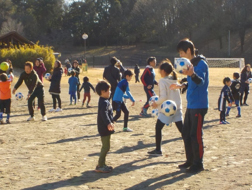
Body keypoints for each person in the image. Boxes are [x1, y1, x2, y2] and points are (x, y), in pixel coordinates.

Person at [170, 39, 209, 173]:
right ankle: (190, 160)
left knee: (195, 135)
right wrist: (182, 85)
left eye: (182, 52)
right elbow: (192, 82)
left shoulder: (201, 64)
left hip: (199, 105)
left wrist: (192, 74)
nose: (181, 55)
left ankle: (198, 164)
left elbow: (201, 81)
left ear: (188, 51)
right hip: (191, 105)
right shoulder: (190, 64)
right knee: (186, 133)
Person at [148, 60, 183, 156]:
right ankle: (192, 146)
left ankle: (158, 150)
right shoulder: (175, 79)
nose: (159, 72)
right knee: (182, 130)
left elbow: (163, 97)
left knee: (158, 128)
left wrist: (156, 103)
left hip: (167, 109)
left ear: (163, 71)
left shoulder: (163, 81)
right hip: (177, 107)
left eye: (160, 70)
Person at [95, 80, 115, 173]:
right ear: (103, 92)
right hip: (104, 127)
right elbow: (104, 114)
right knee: (106, 147)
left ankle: (102, 164)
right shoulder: (104, 102)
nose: (110, 92)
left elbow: (108, 113)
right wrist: (108, 123)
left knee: (106, 146)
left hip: (105, 127)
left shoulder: (105, 100)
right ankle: (100, 165)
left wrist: (112, 120)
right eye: (108, 91)